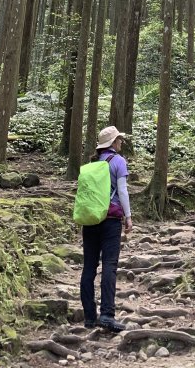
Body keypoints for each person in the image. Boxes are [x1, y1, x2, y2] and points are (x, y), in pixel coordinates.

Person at [80, 125, 133, 331]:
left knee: (89, 267)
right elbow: (122, 191)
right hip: (110, 220)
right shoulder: (118, 161)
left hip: (91, 220)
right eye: (119, 139)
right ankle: (107, 315)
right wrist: (128, 217)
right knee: (109, 265)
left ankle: (89, 317)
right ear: (113, 143)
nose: (121, 142)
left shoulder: (93, 164)